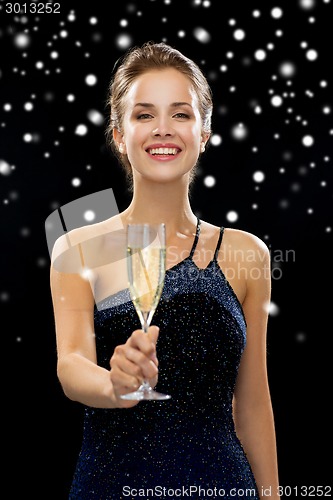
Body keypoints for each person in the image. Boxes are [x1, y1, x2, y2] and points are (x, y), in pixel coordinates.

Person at [50, 41, 280, 499]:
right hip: (109, 486)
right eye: (143, 115)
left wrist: (272, 496)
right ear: (119, 133)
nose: (162, 130)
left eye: (180, 114)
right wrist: (115, 384)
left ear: (204, 132)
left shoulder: (246, 254)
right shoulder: (78, 247)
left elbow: (252, 402)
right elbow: (71, 365)